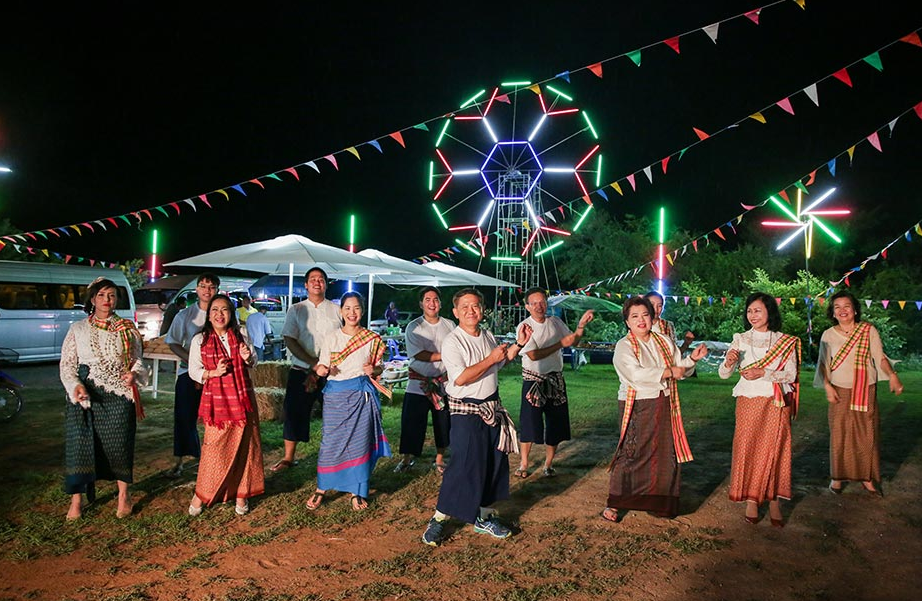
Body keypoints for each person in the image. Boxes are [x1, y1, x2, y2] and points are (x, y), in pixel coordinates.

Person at [421, 288, 532, 546]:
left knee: (494, 463)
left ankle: (485, 516)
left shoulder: (487, 335)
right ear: (455, 312)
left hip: (492, 408)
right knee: (463, 465)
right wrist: (491, 358)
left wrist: (519, 345)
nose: (471, 311)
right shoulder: (453, 341)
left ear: (482, 310)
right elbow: (461, 378)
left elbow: (499, 362)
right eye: (465, 307)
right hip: (467, 412)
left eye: (475, 306)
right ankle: (439, 519)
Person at [604, 296, 707, 523]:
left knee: (665, 453)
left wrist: (692, 359)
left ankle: (660, 503)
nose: (641, 320)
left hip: (664, 401)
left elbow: (679, 367)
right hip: (638, 403)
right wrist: (668, 372)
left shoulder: (664, 341)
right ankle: (616, 501)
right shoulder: (624, 345)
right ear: (627, 322)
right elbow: (635, 375)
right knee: (631, 451)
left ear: (652, 318)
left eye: (645, 315)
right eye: (635, 316)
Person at [60, 277, 148, 520]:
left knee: (119, 445)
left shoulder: (127, 328)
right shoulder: (77, 329)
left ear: (117, 299)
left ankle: (124, 495)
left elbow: (137, 360)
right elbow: (67, 365)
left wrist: (133, 374)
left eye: (111, 295)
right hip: (85, 395)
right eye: (101, 295)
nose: (106, 300)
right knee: (79, 446)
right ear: (92, 299)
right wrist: (76, 386)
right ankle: (76, 500)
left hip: (119, 395)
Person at [719, 292, 801, 527]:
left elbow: (791, 374)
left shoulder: (784, 341)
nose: (752, 315)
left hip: (776, 401)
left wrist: (763, 373)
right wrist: (729, 362)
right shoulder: (740, 339)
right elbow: (724, 374)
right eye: (749, 311)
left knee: (775, 449)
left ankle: (774, 499)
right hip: (748, 400)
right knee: (748, 447)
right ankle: (752, 499)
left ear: (769, 312)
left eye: (758, 310)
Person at [306, 292, 392, 511]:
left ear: (362, 310)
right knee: (330, 442)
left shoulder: (372, 339)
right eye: (347, 308)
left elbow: (380, 367)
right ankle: (322, 487)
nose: (352, 313)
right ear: (341, 311)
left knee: (359, 443)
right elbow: (322, 365)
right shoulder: (331, 337)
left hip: (361, 395)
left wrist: (375, 369)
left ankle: (357, 490)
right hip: (335, 396)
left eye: (356, 308)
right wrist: (322, 369)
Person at [816, 290, 904, 496]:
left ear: (855, 310)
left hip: (865, 388)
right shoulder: (828, 335)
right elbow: (823, 364)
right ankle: (838, 477)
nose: (842, 310)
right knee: (839, 433)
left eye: (847, 306)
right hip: (839, 389)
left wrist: (892, 375)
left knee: (866, 433)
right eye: (837, 307)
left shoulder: (868, 330)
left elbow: (879, 357)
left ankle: (867, 477)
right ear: (833, 313)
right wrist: (827, 386)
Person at [187, 295, 264, 517]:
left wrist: (247, 357)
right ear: (209, 315)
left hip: (243, 398)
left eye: (224, 310)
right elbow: (194, 370)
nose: (219, 314)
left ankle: (241, 493)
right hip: (217, 402)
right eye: (215, 310)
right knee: (214, 448)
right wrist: (213, 373)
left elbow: (253, 362)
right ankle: (201, 494)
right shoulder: (200, 340)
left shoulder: (242, 335)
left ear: (231, 313)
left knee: (246, 447)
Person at [514, 287, 594, 479]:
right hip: (534, 379)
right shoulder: (525, 326)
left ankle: (548, 464)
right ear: (527, 306)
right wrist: (560, 344)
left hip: (555, 379)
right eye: (534, 303)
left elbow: (573, 341)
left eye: (542, 302)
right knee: (530, 423)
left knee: (556, 423)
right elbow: (533, 355)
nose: (539, 306)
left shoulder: (555, 322)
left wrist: (580, 326)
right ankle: (524, 463)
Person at [273, 267, 342, 471]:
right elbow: (289, 338)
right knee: (294, 412)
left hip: (332, 373)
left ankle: (337, 455)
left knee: (336, 415)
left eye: (321, 279)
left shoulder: (337, 309)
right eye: (313, 279)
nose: (317, 282)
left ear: (326, 284)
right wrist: (313, 362)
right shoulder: (296, 309)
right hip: (302, 369)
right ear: (305, 284)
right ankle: (288, 457)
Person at [165, 273, 220, 478]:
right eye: (203, 286)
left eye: (211, 287)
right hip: (188, 373)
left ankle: (214, 458)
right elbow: (173, 342)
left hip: (217, 374)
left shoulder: (221, 313)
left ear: (217, 290)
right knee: (184, 417)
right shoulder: (185, 315)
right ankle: (179, 460)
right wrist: (193, 361)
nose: (207, 291)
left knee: (216, 418)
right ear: (196, 289)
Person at [395, 286, 455, 474]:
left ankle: (439, 459)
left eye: (435, 299)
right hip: (418, 383)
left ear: (440, 303)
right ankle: (407, 459)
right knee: (411, 422)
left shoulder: (450, 325)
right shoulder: (414, 326)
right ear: (421, 304)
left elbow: (456, 348)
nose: (432, 303)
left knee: (443, 421)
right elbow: (418, 354)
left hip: (442, 383)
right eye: (427, 300)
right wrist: (444, 355)